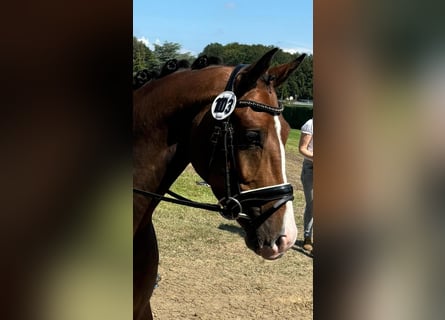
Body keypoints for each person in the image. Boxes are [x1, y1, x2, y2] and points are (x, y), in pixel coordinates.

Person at [299, 118, 313, 254]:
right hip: (311, 168)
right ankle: (308, 237)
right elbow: (302, 148)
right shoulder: (310, 124)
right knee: (313, 205)